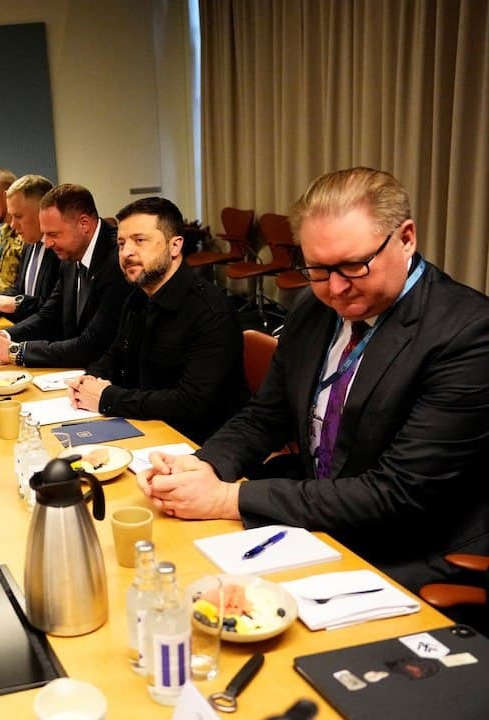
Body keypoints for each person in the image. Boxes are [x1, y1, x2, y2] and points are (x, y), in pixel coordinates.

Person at [140, 167, 489, 592]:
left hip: (409, 545)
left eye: (354, 266)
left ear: (407, 237)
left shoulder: (467, 332)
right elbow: (266, 415)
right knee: (178, 575)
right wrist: (202, 467)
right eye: (318, 269)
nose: (336, 289)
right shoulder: (313, 307)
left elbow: (397, 493)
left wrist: (227, 498)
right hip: (318, 512)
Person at [66, 197, 248, 444]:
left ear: (175, 246)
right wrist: (89, 378)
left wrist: (107, 398)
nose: (126, 252)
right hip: (145, 426)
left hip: (195, 444)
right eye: (121, 244)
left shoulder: (211, 312)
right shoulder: (137, 297)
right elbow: (116, 354)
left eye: (139, 241)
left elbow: (191, 403)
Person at [0, 183, 129, 368]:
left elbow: (92, 344)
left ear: (84, 224)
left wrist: (16, 351)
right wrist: (5, 336)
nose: (47, 244)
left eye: (53, 234)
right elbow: (49, 314)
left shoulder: (117, 259)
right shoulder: (70, 253)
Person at [0, 174, 60, 323]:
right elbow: (19, 288)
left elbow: (51, 309)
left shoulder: (60, 251)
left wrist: (9, 332)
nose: (13, 225)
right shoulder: (30, 245)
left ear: (42, 212)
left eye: (18, 216)